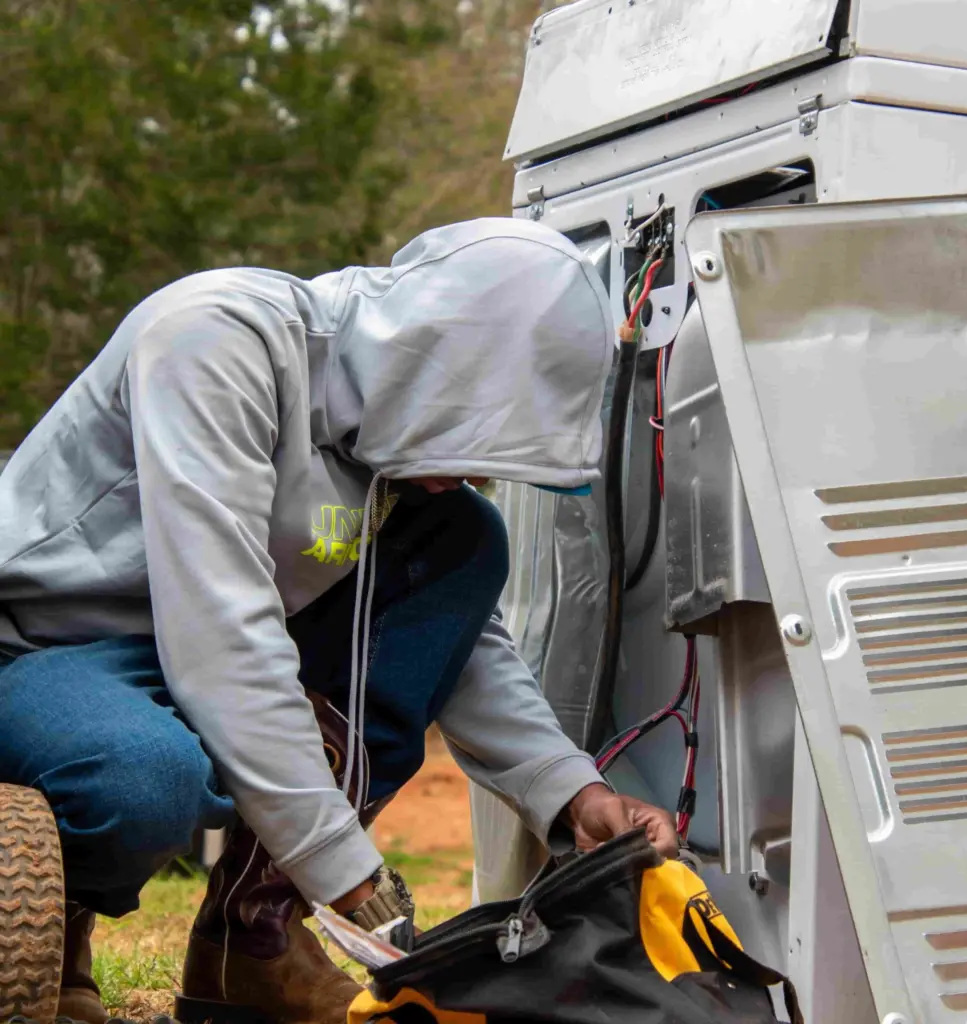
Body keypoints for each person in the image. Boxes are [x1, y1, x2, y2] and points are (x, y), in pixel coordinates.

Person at [0, 219, 678, 1024]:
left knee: (463, 540)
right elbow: (223, 635)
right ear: (434, 366)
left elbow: (457, 647)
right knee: (143, 780)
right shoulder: (214, 342)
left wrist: (572, 790)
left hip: (191, 659)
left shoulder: (392, 457)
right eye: (480, 438)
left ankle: (252, 938)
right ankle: (60, 906)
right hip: (41, 648)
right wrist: (356, 886)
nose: (475, 470)